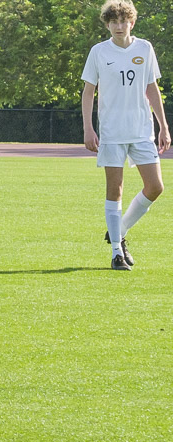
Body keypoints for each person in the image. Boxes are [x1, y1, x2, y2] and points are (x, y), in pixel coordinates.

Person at [81, 0, 169, 270]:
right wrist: (88, 127)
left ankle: (118, 231)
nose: (119, 27)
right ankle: (117, 253)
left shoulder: (145, 48)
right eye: (113, 22)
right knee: (114, 189)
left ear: (132, 22)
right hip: (111, 131)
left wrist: (163, 125)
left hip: (142, 130)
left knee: (156, 187)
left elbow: (152, 88)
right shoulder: (98, 51)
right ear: (107, 24)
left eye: (123, 21)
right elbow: (88, 92)